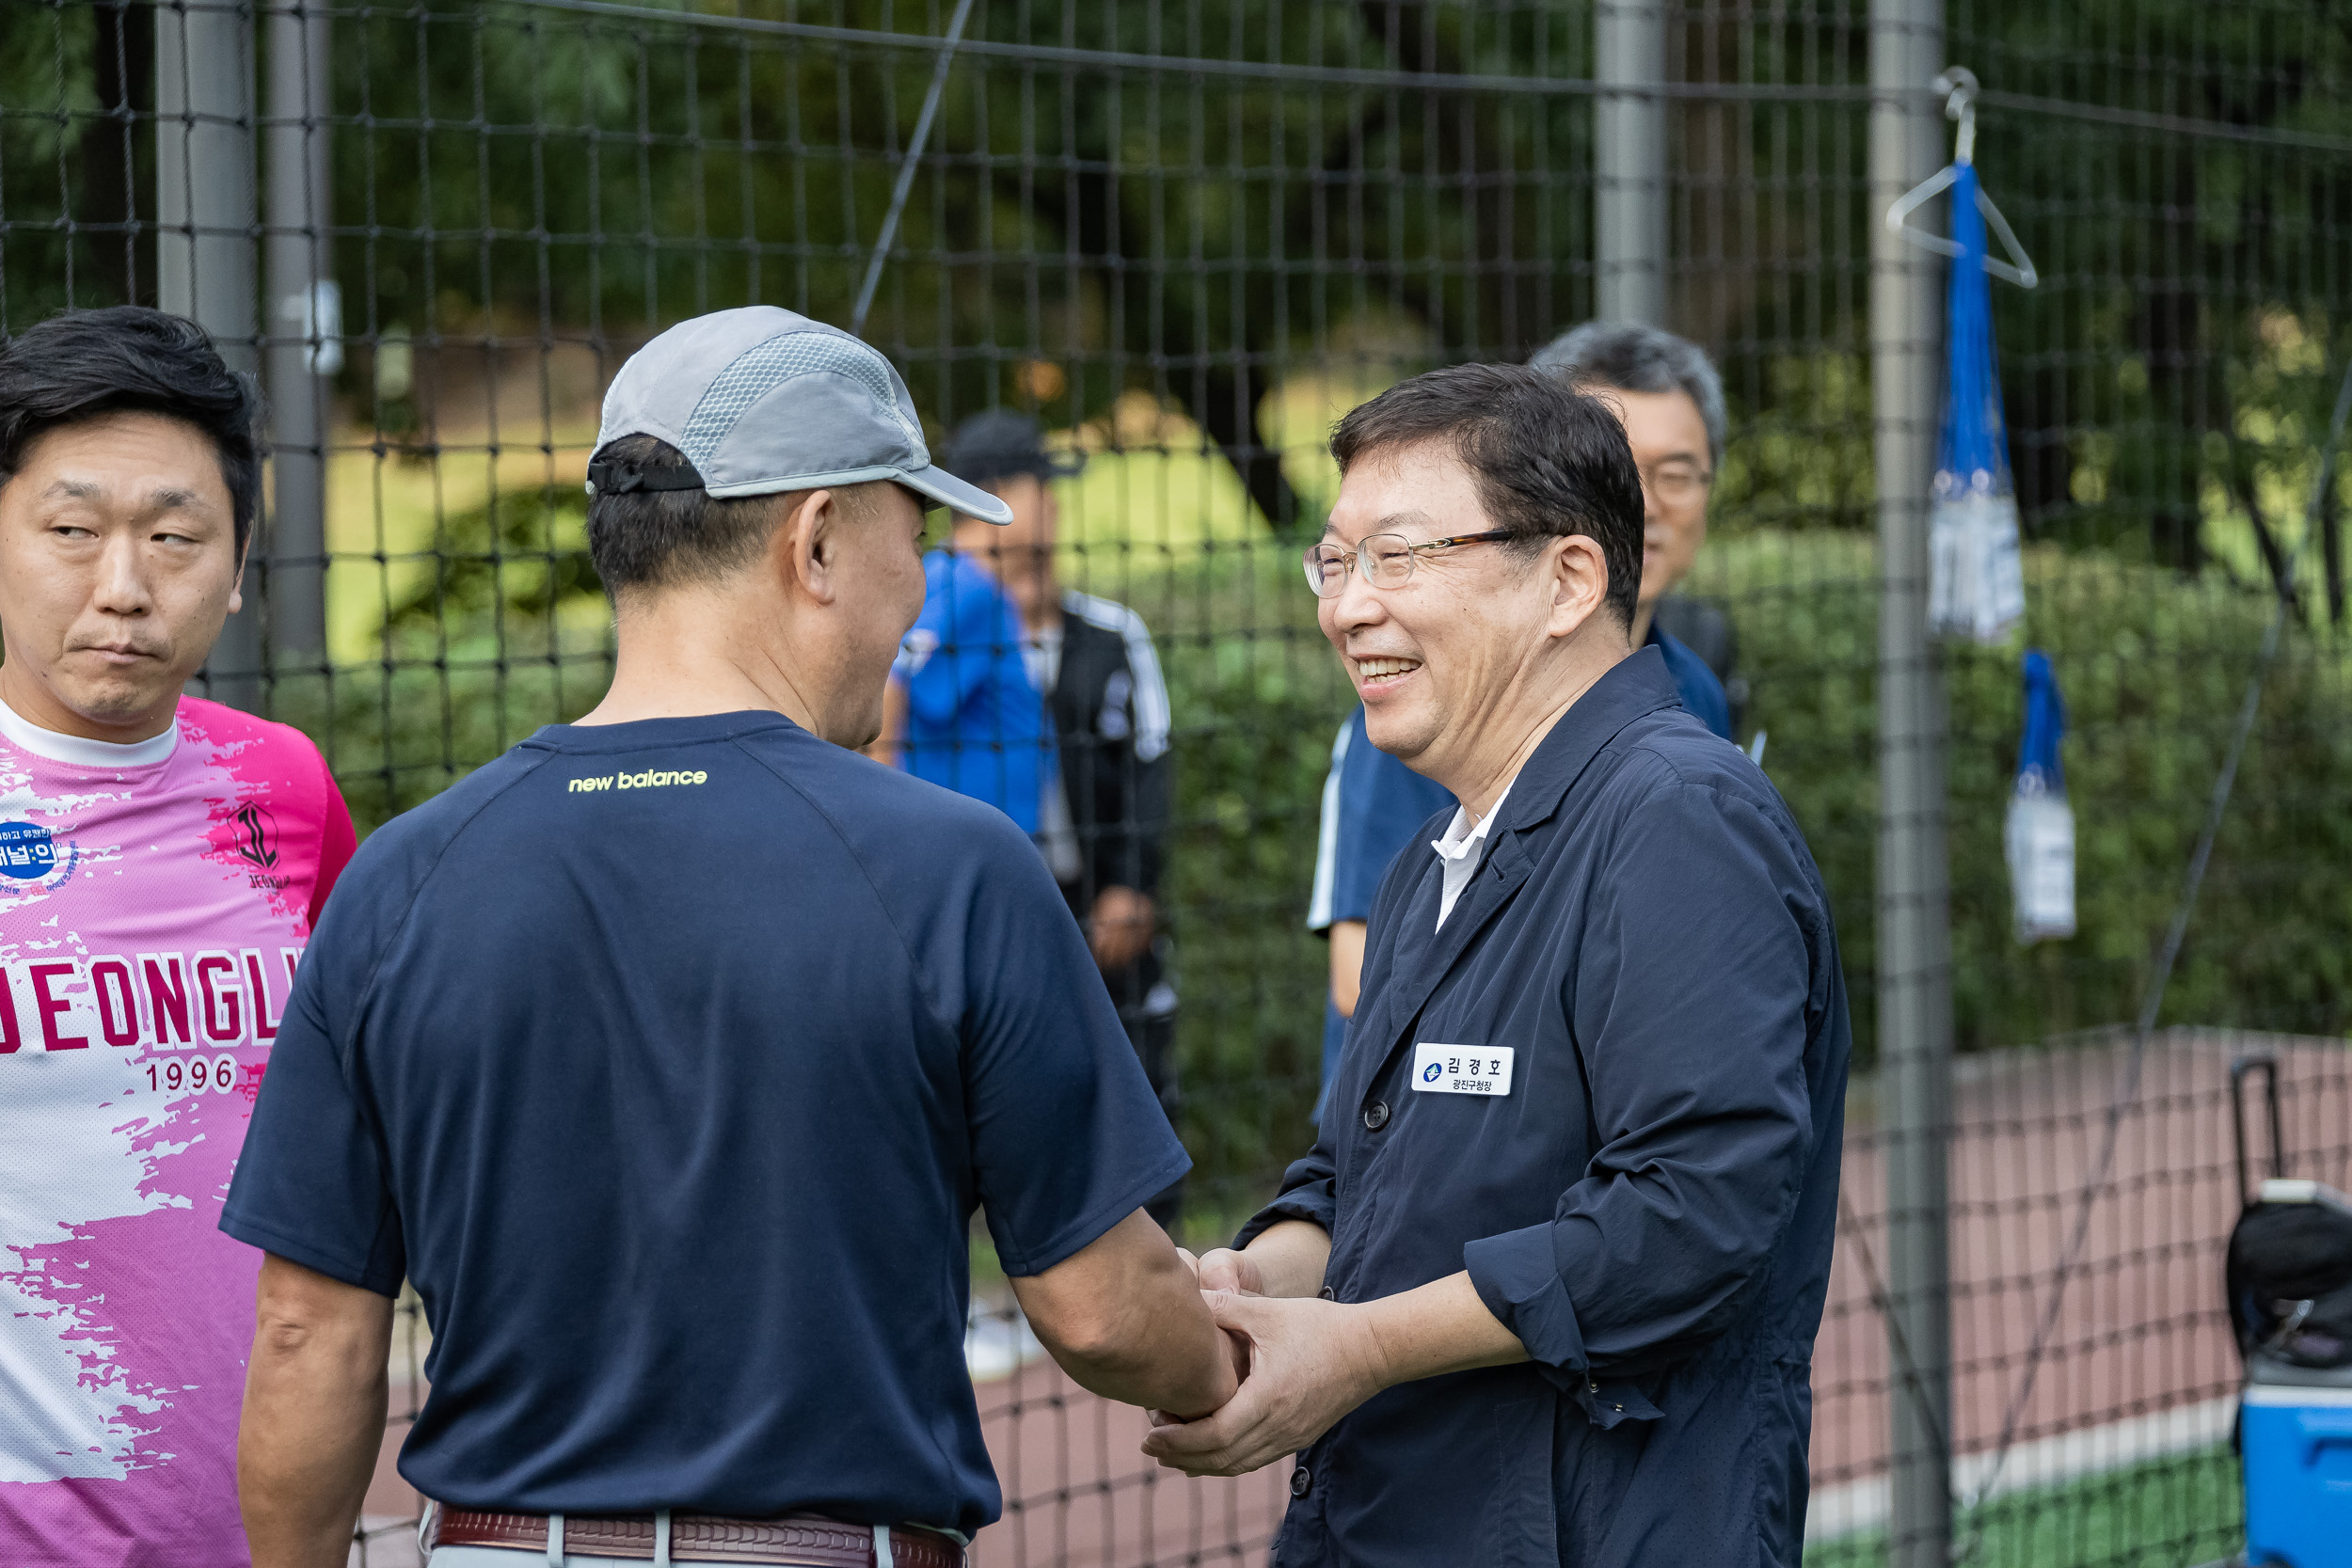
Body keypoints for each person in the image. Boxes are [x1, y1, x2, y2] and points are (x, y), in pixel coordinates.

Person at [219, 307, 1236, 1568]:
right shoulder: (955, 864)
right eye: (912, 538)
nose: (922, 588)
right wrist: (1234, 1359)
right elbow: (1100, 1308)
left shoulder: (400, 876)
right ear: (814, 540)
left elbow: (309, 1333)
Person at [1147, 363, 1850, 1568]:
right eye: (1334, 560)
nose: (1346, 607)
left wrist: (1357, 1349)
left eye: (1400, 555)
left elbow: (1689, 1212)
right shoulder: (1431, 855)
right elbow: (1350, 1184)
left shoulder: (1678, 814)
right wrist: (1248, 1281)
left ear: (1569, 578)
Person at [0, 306, 357, 1568]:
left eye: (174, 536)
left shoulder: (287, 787)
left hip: (261, 1529)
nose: (123, 585)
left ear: (242, 558)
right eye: (71, 530)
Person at [1304, 321, 1742, 1111]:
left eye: (1676, 472)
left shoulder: (1695, 699)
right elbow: (1358, 968)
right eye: (1611, 463)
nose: (1643, 498)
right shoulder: (1424, 703)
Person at [884, 410, 1184, 1228]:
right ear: (996, 500)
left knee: (1129, 1083)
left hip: (1089, 893)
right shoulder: (944, 611)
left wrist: (1132, 883)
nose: (1052, 507)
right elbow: (891, 718)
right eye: (1039, 488)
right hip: (980, 893)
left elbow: (1150, 767)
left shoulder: (1109, 634)